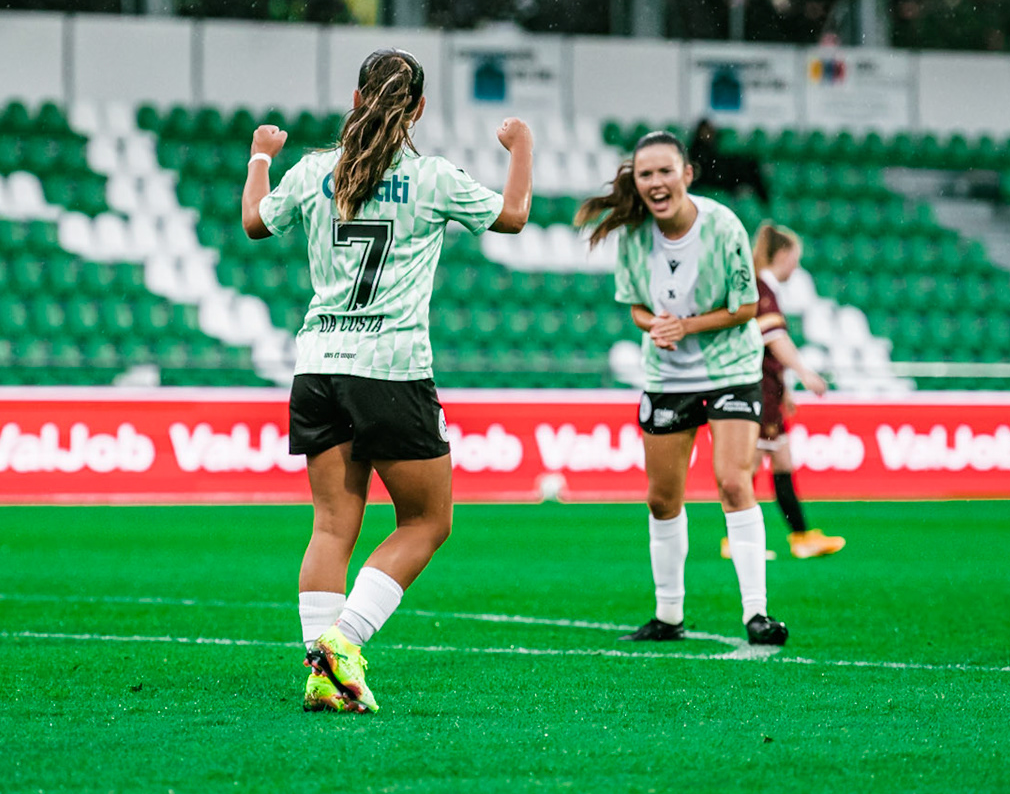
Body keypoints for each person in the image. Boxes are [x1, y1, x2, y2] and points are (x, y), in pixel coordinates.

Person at [243, 49, 532, 712]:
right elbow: (513, 216)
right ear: (419, 109)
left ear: (354, 99)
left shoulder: (316, 171)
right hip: (391, 367)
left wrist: (261, 155)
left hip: (318, 362)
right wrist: (521, 146)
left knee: (331, 528)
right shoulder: (432, 178)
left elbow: (254, 222)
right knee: (427, 521)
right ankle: (342, 644)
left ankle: (324, 673)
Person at [579, 130, 788, 649]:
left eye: (665, 171)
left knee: (733, 483)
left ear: (686, 175)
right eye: (645, 174)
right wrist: (655, 325)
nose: (655, 182)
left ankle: (757, 614)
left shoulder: (723, 226)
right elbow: (635, 307)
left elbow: (745, 307)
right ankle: (668, 615)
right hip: (667, 376)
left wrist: (685, 327)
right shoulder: (633, 237)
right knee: (661, 498)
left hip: (731, 367)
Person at [747, 221, 843, 560]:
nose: (796, 266)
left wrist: (784, 386)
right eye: (795, 258)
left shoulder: (763, 288)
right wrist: (804, 372)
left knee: (781, 462)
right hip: (756, 390)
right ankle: (739, 539)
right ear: (784, 254)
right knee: (748, 466)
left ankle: (800, 536)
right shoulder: (762, 288)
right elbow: (774, 338)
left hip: (768, 388)